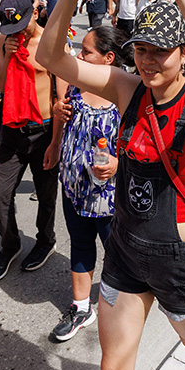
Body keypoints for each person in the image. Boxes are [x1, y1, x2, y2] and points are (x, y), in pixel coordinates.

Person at [37, 0, 185, 370]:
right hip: (126, 251)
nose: (147, 61)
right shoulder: (129, 91)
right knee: (114, 364)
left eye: (160, 52)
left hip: (181, 263)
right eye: (141, 50)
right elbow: (52, 58)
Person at [0, 0, 59, 284]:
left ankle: (46, 239)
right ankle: (11, 245)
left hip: (43, 130)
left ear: (33, 12)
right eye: (11, 29)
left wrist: (56, 142)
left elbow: (60, 95)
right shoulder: (4, 40)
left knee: (46, 194)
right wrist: (5, 52)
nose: (17, 33)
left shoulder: (50, 41)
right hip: (12, 128)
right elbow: (2, 85)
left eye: (21, 26)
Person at [48, 26, 130, 342]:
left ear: (108, 57)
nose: (79, 56)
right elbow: (63, 115)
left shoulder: (127, 94)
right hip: (73, 188)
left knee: (118, 253)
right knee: (80, 245)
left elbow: (145, 149)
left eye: (86, 51)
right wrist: (55, 140)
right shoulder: (77, 83)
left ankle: (124, 308)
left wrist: (118, 164)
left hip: (110, 199)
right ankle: (81, 308)